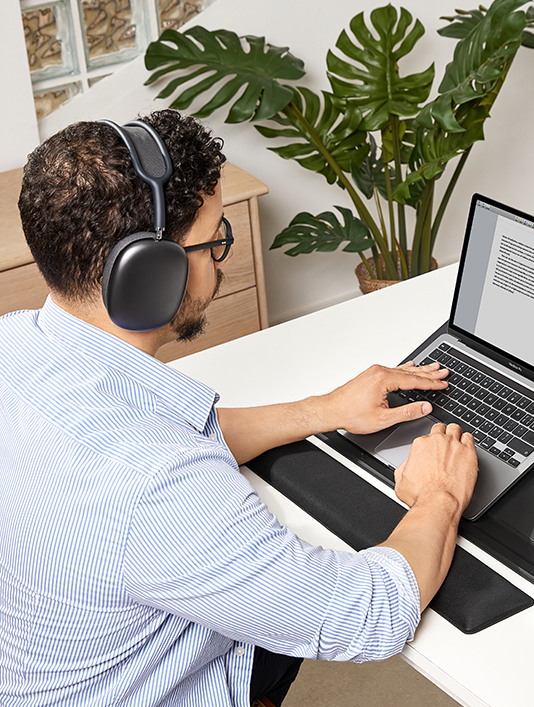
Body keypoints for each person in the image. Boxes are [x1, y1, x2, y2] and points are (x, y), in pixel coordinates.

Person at [0, 110, 477, 707]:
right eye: (213, 241)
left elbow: (169, 434)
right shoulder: (156, 485)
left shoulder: (15, 342)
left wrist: (324, 409)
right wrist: (441, 495)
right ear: (150, 271)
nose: (221, 260)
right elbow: (372, 615)